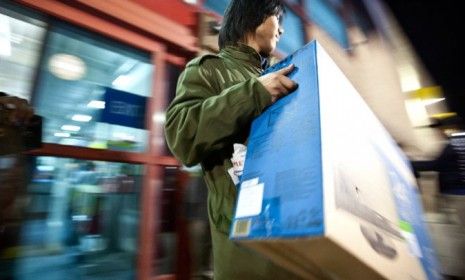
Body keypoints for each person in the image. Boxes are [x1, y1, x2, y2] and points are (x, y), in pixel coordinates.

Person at [164, 1, 301, 279]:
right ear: (253, 17)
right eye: (277, 18)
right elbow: (181, 135)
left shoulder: (281, 75)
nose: (283, 30)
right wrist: (255, 92)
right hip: (248, 257)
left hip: (296, 242)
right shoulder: (208, 69)